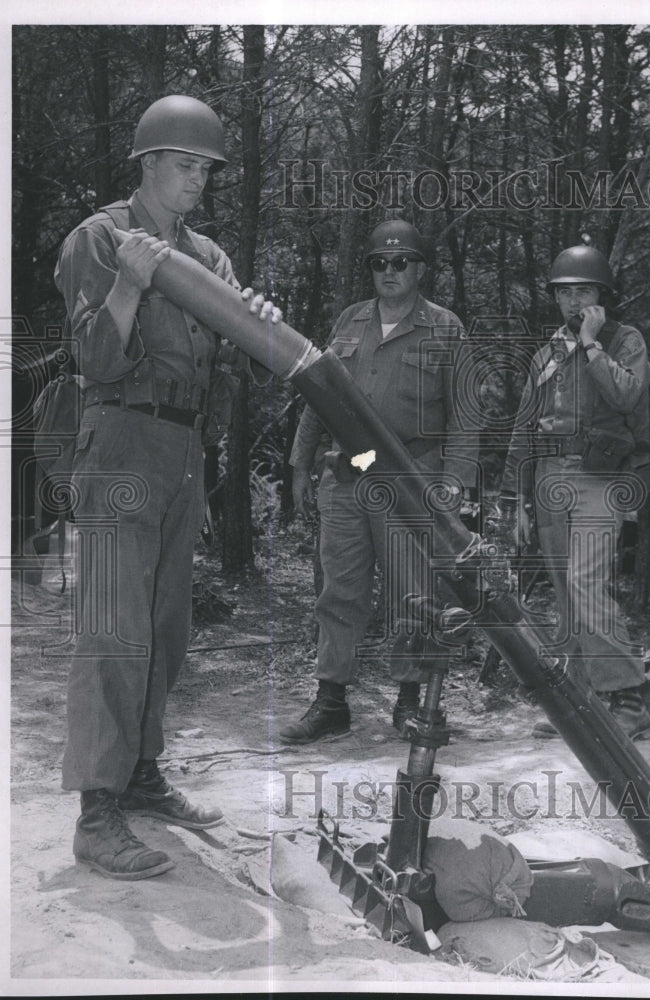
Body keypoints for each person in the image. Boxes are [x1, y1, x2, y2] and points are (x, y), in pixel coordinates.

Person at [55, 95, 279, 880]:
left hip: (184, 448)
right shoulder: (101, 237)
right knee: (115, 627)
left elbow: (242, 363)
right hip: (120, 437)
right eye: (186, 168)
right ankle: (96, 811)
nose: (198, 184)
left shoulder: (208, 257)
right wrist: (126, 286)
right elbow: (94, 362)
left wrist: (254, 319)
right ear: (148, 165)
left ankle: (141, 776)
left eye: (206, 172)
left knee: (165, 627)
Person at [282, 219, 476, 744]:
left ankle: (411, 700)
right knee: (339, 590)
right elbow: (319, 393)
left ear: (420, 269)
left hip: (410, 482)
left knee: (412, 594)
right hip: (346, 478)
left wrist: (454, 488)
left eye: (401, 262)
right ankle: (330, 700)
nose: (389, 272)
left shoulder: (445, 328)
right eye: (379, 263)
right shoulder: (349, 321)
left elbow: (464, 416)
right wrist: (301, 464)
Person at [499, 245, 650, 741]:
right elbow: (524, 428)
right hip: (548, 480)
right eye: (564, 293)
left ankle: (628, 701)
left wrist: (591, 345)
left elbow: (627, 395)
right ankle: (582, 703)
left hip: (597, 478)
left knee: (588, 586)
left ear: (602, 296)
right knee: (566, 594)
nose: (572, 302)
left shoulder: (625, 341)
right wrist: (516, 499)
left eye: (582, 292)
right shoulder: (545, 353)